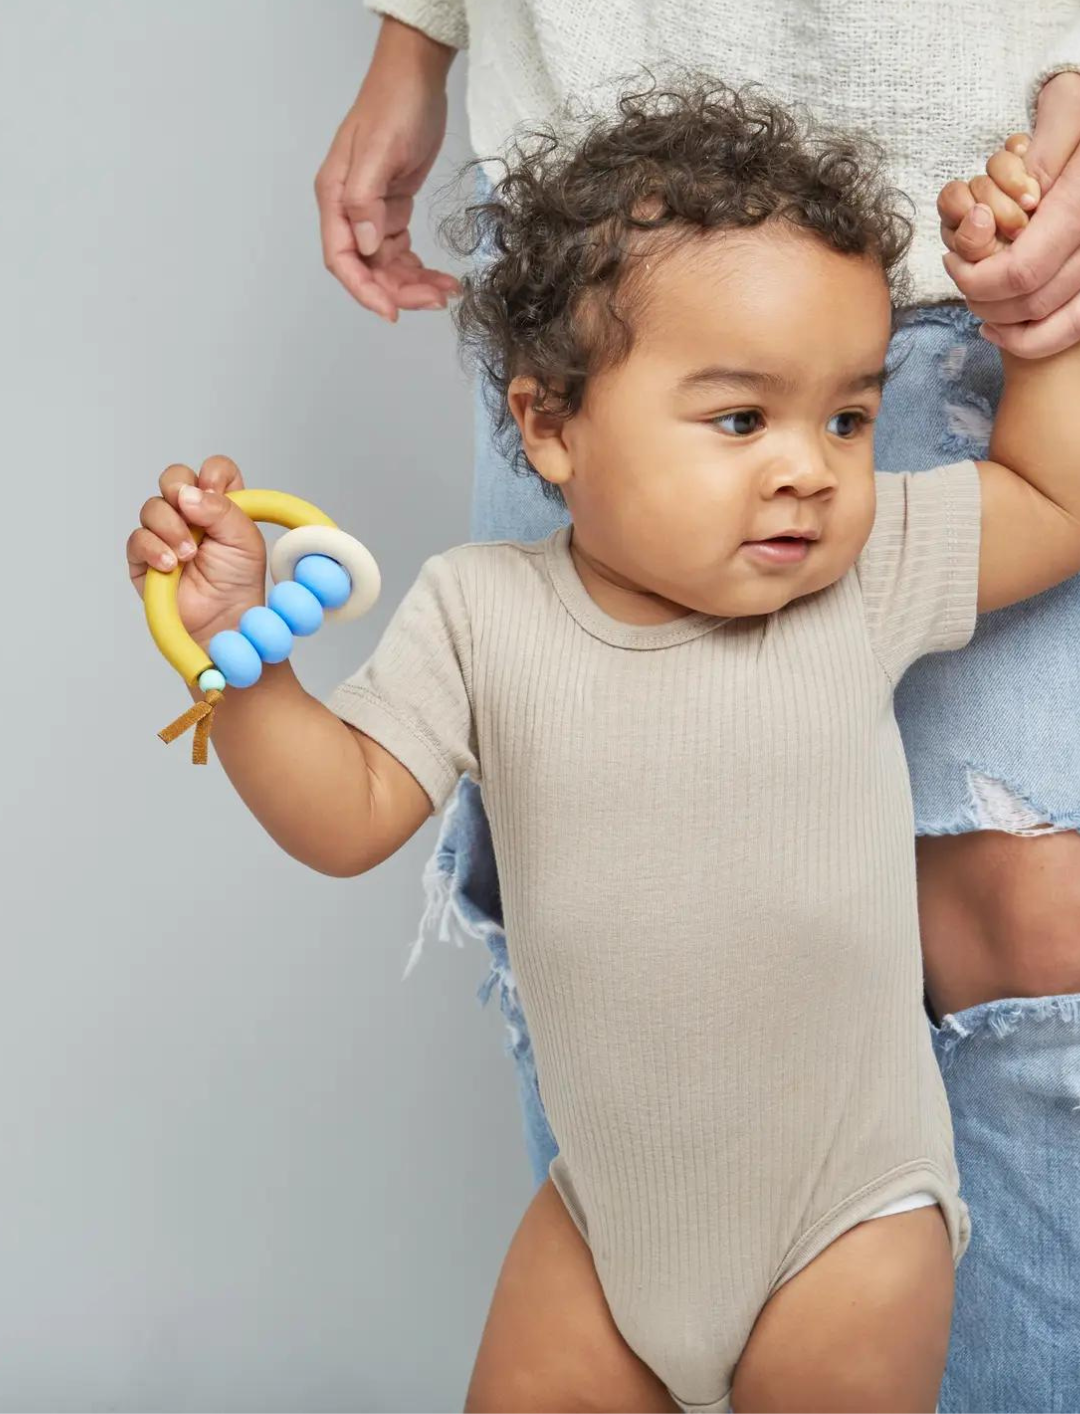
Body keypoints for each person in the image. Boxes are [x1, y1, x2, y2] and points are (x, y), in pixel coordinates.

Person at [128, 80, 1080, 1411]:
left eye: (849, 418)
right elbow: (347, 815)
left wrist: (1038, 341)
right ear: (551, 425)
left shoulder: (866, 576)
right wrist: (243, 663)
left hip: (848, 1227)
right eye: (741, 419)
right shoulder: (480, 614)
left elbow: (1050, 498)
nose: (810, 468)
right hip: (603, 1235)